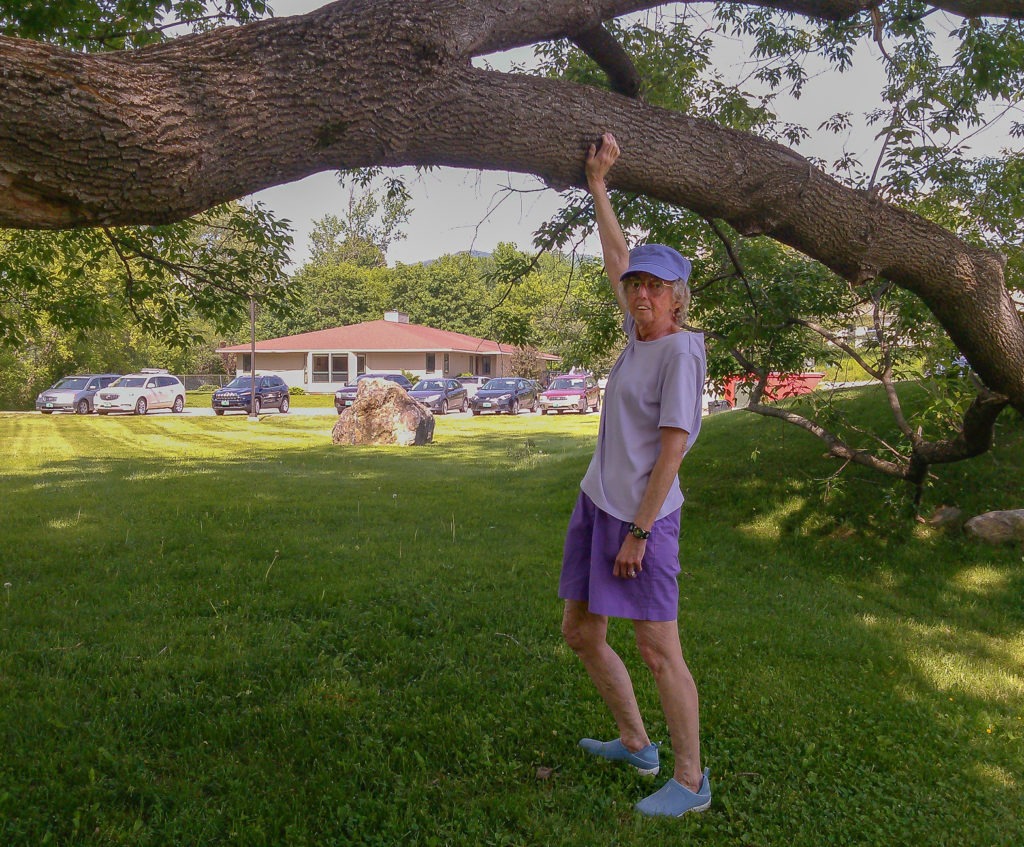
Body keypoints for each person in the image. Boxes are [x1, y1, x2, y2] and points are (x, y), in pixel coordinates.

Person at [558, 132, 710, 818]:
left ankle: (689, 780)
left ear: (677, 297)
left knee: (658, 649)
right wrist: (599, 187)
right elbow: (617, 253)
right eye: (635, 284)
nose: (640, 291)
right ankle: (635, 741)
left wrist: (641, 531)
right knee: (582, 633)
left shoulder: (679, 353)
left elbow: (673, 451)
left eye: (654, 285)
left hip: (643, 518)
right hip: (598, 502)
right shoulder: (637, 335)